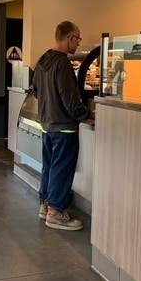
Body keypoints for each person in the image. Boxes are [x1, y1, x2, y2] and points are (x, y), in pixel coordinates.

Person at [33, 21, 90, 230]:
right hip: (65, 126)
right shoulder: (63, 63)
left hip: (47, 124)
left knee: (49, 166)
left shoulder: (43, 60)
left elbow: (36, 90)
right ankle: (56, 213)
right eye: (78, 38)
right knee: (62, 168)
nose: (77, 43)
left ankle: (45, 204)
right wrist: (87, 113)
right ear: (69, 37)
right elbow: (70, 100)